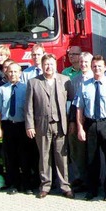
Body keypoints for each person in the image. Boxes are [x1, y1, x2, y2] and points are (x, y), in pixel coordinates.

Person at [75, 55, 106, 201]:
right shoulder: (84, 86)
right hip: (90, 124)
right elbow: (79, 108)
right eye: (94, 66)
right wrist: (80, 128)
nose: (97, 68)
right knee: (91, 159)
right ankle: (92, 190)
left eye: (99, 66)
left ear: (105, 68)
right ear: (91, 68)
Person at [26, 54, 75, 199]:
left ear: (56, 65)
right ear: (42, 66)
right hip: (41, 125)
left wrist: (71, 121)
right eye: (46, 64)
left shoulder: (65, 80)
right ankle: (45, 186)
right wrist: (30, 126)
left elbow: (72, 103)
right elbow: (28, 106)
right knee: (44, 156)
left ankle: (65, 186)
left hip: (60, 124)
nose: (49, 67)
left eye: (51, 64)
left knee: (62, 156)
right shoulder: (33, 82)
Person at [0, 62, 33, 194]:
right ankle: (14, 184)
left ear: (20, 73)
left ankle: (27, 186)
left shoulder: (27, 88)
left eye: (15, 71)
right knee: (11, 157)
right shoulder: (1, 90)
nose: (13, 74)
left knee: (25, 156)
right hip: (8, 126)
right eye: (10, 71)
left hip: (23, 126)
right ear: (6, 73)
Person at [68, 51, 93, 190]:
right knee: (77, 151)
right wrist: (72, 121)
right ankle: (79, 178)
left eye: (86, 62)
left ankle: (92, 179)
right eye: (81, 62)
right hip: (78, 120)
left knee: (91, 151)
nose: (83, 64)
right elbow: (72, 103)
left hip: (91, 120)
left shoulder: (95, 78)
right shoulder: (74, 80)